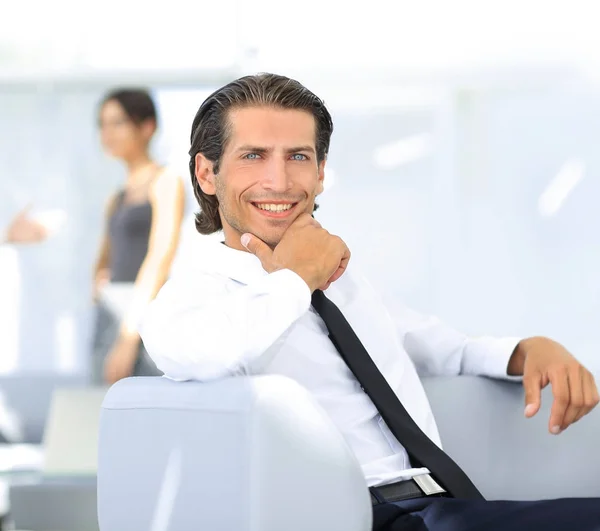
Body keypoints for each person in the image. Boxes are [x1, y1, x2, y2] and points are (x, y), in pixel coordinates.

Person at [139, 73, 600, 530]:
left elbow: (443, 348)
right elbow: (211, 354)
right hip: (348, 519)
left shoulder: (343, 286)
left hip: (434, 510)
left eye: (298, 156)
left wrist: (528, 350)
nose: (278, 180)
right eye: (253, 156)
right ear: (207, 173)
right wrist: (297, 277)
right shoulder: (192, 297)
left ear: (320, 173)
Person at [92, 88, 185, 385]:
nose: (107, 133)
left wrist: (129, 335)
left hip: (143, 315)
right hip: (110, 313)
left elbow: (160, 257)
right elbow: (105, 258)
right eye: (102, 124)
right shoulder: (115, 197)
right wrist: (99, 281)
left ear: (147, 127)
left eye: (117, 123)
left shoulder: (166, 182)